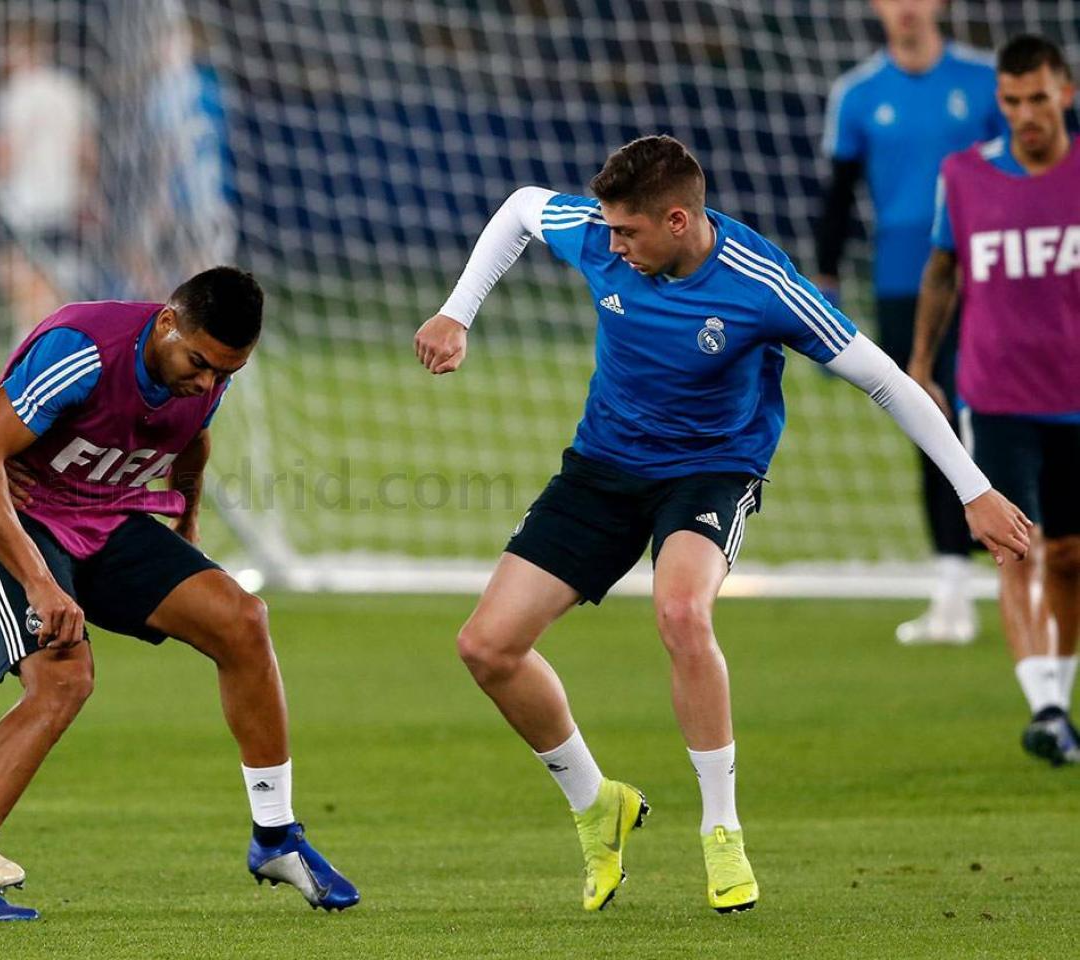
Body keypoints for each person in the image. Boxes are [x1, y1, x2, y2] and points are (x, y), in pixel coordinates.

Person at [415, 135, 1029, 914]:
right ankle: (596, 804)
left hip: (711, 472)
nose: (612, 245)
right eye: (609, 229)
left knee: (681, 610)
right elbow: (520, 209)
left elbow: (885, 380)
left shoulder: (761, 284)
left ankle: (721, 830)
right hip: (603, 466)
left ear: (678, 221)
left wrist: (975, 491)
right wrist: (457, 312)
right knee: (486, 646)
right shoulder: (599, 234)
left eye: (628, 232)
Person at [0, 268, 359, 920]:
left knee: (242, 620)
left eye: (226, 372)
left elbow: (193, 440)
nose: (207, 382)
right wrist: (39, 582)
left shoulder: (205, 375)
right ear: (168, 322)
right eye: (199, 363)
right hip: (7, 518)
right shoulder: (84, 349)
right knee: (63, 679)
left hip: (102, 518)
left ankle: (276, 836)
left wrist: (187, 523)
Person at [911, 35, 1080, 765]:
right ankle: (1044, 706)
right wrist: (921, 362)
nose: (1025, 115)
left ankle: (1057, 707)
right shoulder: (964, 175)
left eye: (1038, 98)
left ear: (1065, 93)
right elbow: (941, 269)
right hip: (996, 395)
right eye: (1012, 101)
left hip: (1074, 396)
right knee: (1018, 546)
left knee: (1069, 556)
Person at [815, 0, 1003, 645]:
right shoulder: (858, 94)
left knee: (1002, 423)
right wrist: (826, 278)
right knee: (932, 422)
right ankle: (952, 592)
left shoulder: (987, 82)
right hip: (901, 284)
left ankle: (1034, 567)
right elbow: (839, 195)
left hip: (988, 281)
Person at [0, 20, 99, 332]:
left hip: (23, 204)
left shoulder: (15, 92)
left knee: (13, 274)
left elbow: (6, 152)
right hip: (64, 202)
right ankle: (52, 335)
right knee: (53, 281)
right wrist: (87, 196)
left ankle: (34, 337)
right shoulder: (71, 90)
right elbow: (87, 153)